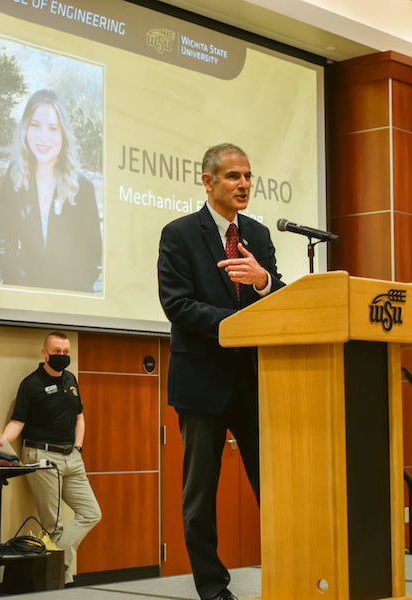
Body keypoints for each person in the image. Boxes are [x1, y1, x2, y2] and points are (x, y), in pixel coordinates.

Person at [157, 143, 284, 600]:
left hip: (254, 381)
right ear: (208, 182)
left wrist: (264, 282)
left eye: (248, 176)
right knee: (200, 498)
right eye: (233, 177)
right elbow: (177, 305)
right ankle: (213, 589)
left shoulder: (259, 235)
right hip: (202, 382)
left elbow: (280, 294)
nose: (244, 185)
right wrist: (237, 324)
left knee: (274, 487)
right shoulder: (179, 234)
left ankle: (290, 572)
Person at [0, 331, 101, 585]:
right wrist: (1, 441)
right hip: (41, 456)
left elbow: (79, 417)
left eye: (66, 352)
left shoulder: (71, 379)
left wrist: (78, 447)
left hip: (72, 457)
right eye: (57, 351)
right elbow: (17, 423)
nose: (62, 356)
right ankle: (62, 580)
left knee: (91, 513)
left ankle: (49, 568)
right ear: (44, 353)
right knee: (55, 526)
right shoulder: (30, 384)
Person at [0, 89, 102, 293]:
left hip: (71, 303)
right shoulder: (14, 177)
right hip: (24, 300)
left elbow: (92, 254)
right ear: (25, 129)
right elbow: (5, 243)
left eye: (53, 128)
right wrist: (23, 292)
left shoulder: (83, 188)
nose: (44, 137)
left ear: (63, 135)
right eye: (35, 125)